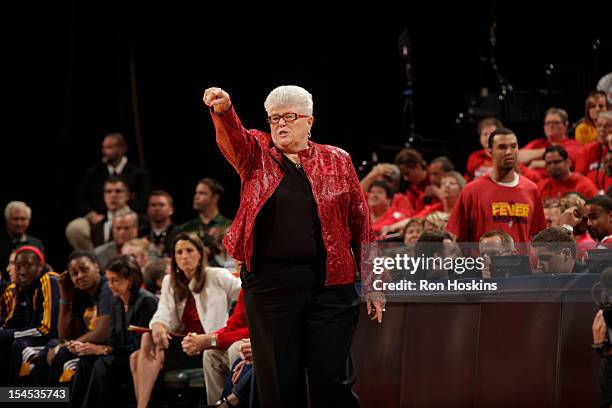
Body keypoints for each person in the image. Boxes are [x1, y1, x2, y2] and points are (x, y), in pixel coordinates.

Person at [203, 85, 384, 407]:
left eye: (289, 117)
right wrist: (223, 111)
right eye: (274, 119)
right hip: (270, 287)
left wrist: (373, 283)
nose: (280, 125)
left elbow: (361, 224)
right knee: (278, 380)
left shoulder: (337, 160)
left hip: (331, 286)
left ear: (309, 121)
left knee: (333, 380)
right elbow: (232, 139)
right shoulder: (255, 155)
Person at [129, 232, 240, 408]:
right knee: (145, 342)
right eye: (179, 252)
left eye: (189, 250)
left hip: (208, 343)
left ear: (200, 254)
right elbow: (163, 312)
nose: (184, 256)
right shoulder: (169, 281)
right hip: (184, 344)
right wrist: (158, 325)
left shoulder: (217, 275)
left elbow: (245, 293)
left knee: (137, 357)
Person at [70, 255, 158, 408]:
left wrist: (104, 350)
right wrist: (92, 348)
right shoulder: (117, 301)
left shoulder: (146, 302)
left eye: (115, 280)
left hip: (141, 358)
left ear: (130, 280)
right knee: (85, 360)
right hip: (122, 354)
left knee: (103, 364)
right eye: (108, 280)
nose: (110, 285)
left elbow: (140, 346)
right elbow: (112, 339)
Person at [447, 127, 547, 244]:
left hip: (521, 262)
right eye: (502, 147)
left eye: (513, 146)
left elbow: (538, 237)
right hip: (484, 261)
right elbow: (457, 238)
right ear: (490, 151)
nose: (509, 152)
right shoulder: (472, 190)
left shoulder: (532, 190)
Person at [67, 134, 151, 251]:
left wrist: (126, 213)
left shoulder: (138, 173)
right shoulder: (93, 172)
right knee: (75, 227)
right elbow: (80, 199)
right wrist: (92, 215)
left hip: (127, 212)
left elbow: (144, 200)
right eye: (108, 191)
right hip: (99, 217)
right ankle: (95, 259)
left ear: (121, 149)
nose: (104, 151)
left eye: (109, 148)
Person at [0, 246, 59, 385]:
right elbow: (15, 322)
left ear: (40, 266)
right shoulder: (25, 287)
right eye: (18, 266)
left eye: (28, 266)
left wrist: (9, 334)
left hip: (58, 338)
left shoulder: (48, 280)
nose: (22, 271)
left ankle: (26, 397)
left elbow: (46, 328)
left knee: (22, 346)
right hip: (42, 337)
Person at [518, 107, 583, 178]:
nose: (551, 126)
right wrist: (549, 151)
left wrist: (535, 162)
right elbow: (517, 157)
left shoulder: (573, 145)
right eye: (548, 123)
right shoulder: (538, 143)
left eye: (556, 123)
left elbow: (564, 163)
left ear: (565, 125)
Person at [177, 178, 232, 249]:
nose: (196, 197)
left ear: (215, 197)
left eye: (202, 193)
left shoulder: (229, 226)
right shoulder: (185, 228)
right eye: (196, 193)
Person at [0, 201, 45, 280]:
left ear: (29, 221)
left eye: (23, 219)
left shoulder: (36, 243)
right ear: (7, 220)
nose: (19, 223)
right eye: (15, 219)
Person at [577, 111, 612, 193]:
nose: (602, 129)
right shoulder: (588, 150)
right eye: (599, 125)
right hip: (591, 197)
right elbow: (579, 178)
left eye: (607, 126)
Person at [141, 190, 177, 259]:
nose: (157, 208)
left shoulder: (178, 233)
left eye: (161, 205)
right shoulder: (140, 233)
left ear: (171, 210)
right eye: (153, 205)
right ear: (147, 209)